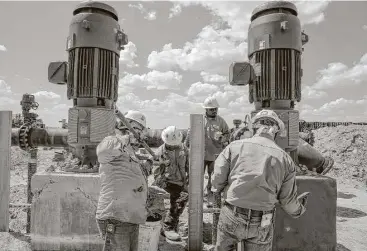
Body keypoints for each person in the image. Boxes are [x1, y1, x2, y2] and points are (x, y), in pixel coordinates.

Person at [211, 109, 310, 251]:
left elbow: (217, 179)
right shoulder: (285, 159)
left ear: (254, 127)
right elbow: (287, 201)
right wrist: (298, 210)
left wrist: (219, 189)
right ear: (276, 132)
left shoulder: (234, 147)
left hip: (232, 214)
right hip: (263, 220)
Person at [95, 110, 150, 251]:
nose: (140, 136)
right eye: (138, 130)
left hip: (130, 217)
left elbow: (130, 174)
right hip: (116, 217)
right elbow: (102, 153)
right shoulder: (113, 140)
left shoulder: (128, 150)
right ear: (128, 127)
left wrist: (149, 163)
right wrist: (126, 138)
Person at [185, 96, 230, 196]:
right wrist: (185, 148)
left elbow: (227, 134)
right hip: (200, 155)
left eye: (215, 109)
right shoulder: (199, 120)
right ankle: (197, 195)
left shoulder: (221, 121)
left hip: (215, 154)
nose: (214, 111)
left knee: (213, 176)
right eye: (212, 109)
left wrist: (222, 138)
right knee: (197, 176)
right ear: (206, 109)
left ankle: (210, 194)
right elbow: (189, 134)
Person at [153, 126, 189, 241]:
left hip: (180, 182)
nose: (173, 147)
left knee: (181, 200)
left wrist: (189, 181)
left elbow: (189, 165)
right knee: (178, 200)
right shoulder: (159, 152)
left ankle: (173, 225)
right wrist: (160, 182)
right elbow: (156, 172)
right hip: (167, 182)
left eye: (175, 145)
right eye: (170, 145)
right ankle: (168, 227)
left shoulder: (184, 149)